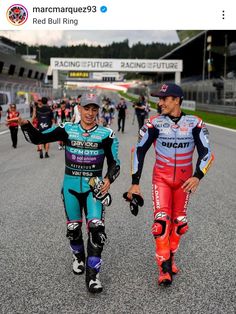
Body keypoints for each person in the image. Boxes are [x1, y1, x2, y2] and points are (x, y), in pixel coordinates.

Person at [18, 93, 120, 293]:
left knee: (97, 231)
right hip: (70, 187)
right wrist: (25, 124)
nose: (90, 113)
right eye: (86, 108)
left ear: (98, 110)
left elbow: (115, 163)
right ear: (79, 109)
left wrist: (108, 179)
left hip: (94, 189)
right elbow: (39, 137)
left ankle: (93, 277)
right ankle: (78, 256)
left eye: (94, 109)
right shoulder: (67, 129)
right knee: (74, 229)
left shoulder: (107, 134)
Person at [126, 83, 214, 286]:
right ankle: (164, 267)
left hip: (183, 183)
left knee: (180, 224)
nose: (161, 102)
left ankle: (170, 257)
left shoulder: (195, 123)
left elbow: (206, 153)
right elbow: (138, 151)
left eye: (165, 98)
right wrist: (135, 183)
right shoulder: (154, 123)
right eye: (160, 98)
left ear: (177, 100)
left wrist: (198, 176)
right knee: (161, 224)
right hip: (162, 180)